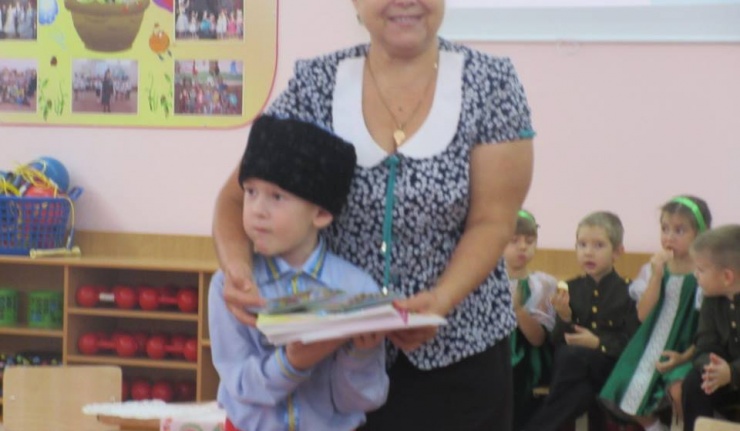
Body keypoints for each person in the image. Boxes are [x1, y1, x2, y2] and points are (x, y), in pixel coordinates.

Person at [212, 1, 535, 429]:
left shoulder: (490, 83)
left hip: (461, 354)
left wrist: (441, 300)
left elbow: (492, 221)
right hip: (332, 368)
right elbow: (236, 198)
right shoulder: (317, 84)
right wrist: (238, 273)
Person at [208, 115, 389, 431]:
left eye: (277, 196)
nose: (257, 210)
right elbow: (239, 385)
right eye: (250, 192)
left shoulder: (357, 289)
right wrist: (292, 363)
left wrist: (360, 355)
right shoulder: (230, 286)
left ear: (320, 214)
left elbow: (359, 402)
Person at [600, 195, 712, 431]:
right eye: (665, 229)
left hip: (688, 347)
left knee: (678, 389)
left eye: (679, 230)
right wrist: (656, 276)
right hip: (651, 346)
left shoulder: (704, 273)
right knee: (623, 385)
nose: (669, 237)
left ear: (700, 235)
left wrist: (684, 357)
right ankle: (655, 428)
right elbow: (643, 314)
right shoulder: (654, 269)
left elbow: (707, 326)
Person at [522, 211, 639, 431]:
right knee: (579, 391)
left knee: (571, 355)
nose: (588, 252)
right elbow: (556, 341)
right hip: (575, 376)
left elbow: (632, 342)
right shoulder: (569, 288)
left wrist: (598, 343)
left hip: (610, 368)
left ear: (617, 252)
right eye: (582, 245)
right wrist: (564, 316)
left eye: (598, 245)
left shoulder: (629, 291)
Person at [682, 225, 740, 431]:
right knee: (694, 381)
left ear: (727, 277)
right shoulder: (711, 299)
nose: (695, 274)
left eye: (701, 270)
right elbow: (704, 345)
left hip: (734, 374)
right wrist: (712, 368)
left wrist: (731, 372)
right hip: (723, 378)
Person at [504, 209, 557, 430]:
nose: (523, 247)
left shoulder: (542, 285)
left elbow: (537, 339)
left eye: (529, 241)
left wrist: (517, 309)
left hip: (529, 360)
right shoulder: (487, 282)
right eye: (514, 240)